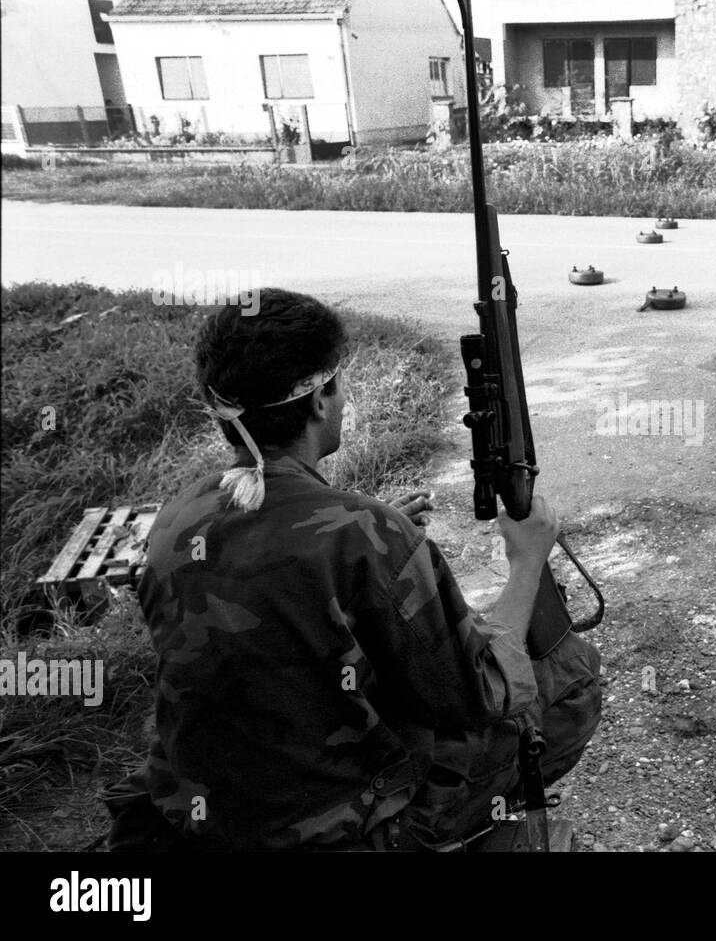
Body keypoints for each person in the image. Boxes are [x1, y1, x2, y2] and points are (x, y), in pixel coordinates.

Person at [103, 289, 601, 850]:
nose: (343, 399)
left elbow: (275, 583)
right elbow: (482, 696)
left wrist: (365, 533)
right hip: (337, 830)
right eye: (339, 384)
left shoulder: (179, 514)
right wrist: (527, 560)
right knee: (573, 682)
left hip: (206, 811)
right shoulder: (366, 537)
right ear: (319, 401)